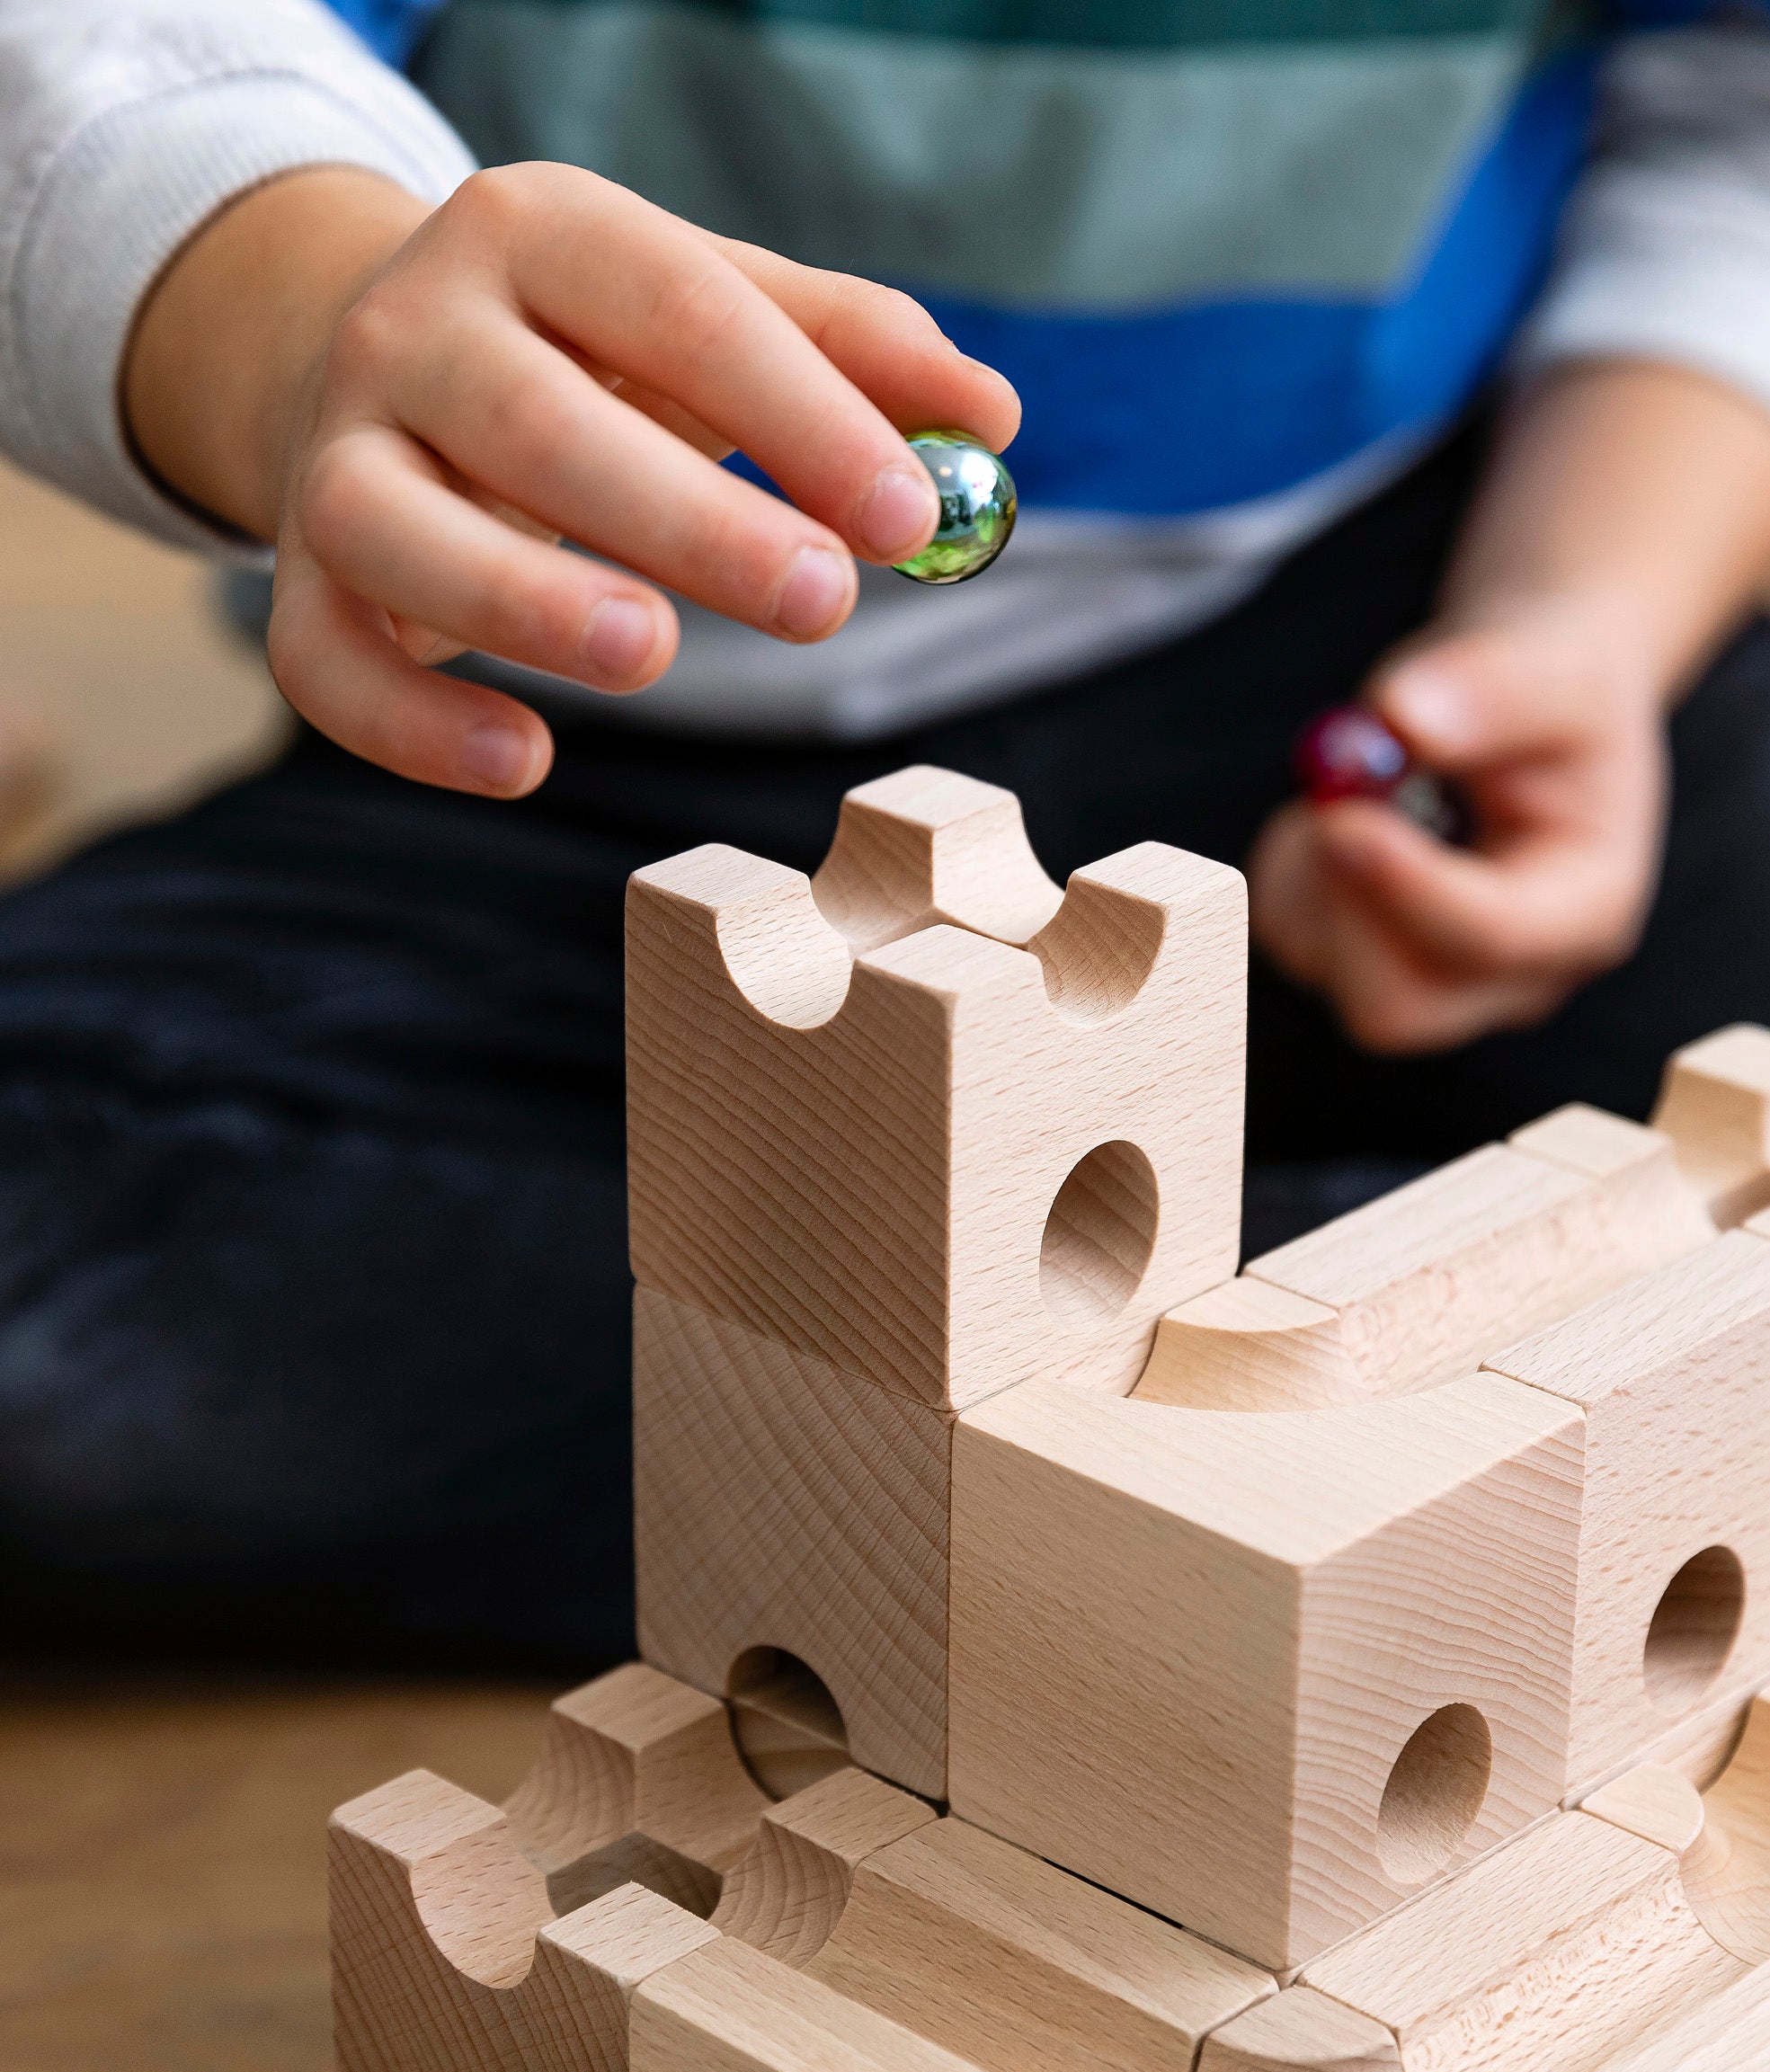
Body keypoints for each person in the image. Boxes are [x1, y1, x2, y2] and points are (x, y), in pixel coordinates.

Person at [1, 0, 1769, 1668]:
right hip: (557, 738)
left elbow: (1727, 115)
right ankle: (1343, 1369)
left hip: (1375, 618)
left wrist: (1578, 623)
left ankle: (1253, 1357)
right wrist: (303, 326)